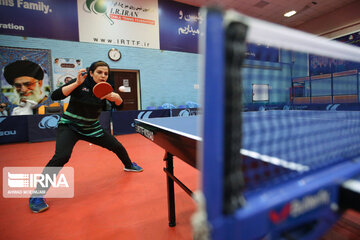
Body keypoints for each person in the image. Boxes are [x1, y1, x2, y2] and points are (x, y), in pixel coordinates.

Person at [29, 61, 143, 213]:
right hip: (70, 126)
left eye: (106, 73)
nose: (103, 76)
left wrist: (116, 97)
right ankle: (36, 195)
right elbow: (55, 96)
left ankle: (129, 165)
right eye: (99, 72)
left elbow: (120, 106)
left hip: (91, 128)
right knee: (61, 157)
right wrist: (76, 83)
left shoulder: (106, 89)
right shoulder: (79, 84)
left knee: (117, 146)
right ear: (91, 73)